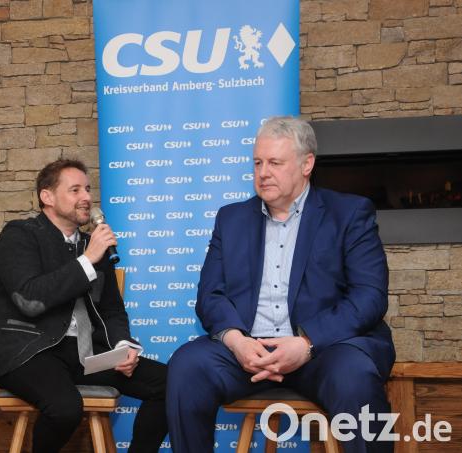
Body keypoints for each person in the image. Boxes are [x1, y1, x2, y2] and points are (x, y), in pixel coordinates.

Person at [166, 117, 395, 453]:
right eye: (258, 163)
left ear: (307, 164)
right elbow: (210, 295)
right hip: (250, 352)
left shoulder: (348, 213)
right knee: (187, 367)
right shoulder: (231, 218)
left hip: (322, 350)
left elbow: (369, 296)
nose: (263, 172)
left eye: (274, 163)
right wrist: (236, 341)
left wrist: (307, 342)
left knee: (354, 377)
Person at [0, 158, 169, 453]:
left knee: (171, 385)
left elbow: (111, 309)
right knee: (65, 408)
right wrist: (87, 260)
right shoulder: (19, 235)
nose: (86, 197)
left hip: (84, 354)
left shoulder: (93, 244)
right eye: (75, 190)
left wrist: (122, 345)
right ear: (47, 197)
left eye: (87, 189)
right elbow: (30, 299)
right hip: (28, 351)